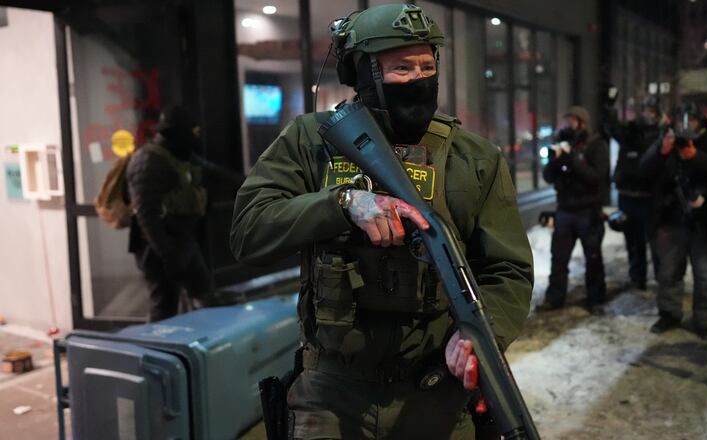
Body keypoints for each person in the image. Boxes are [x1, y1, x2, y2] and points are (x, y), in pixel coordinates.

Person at [229, 4, 534, 439]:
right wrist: (341, 204)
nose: (418, 80)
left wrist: (481, 337)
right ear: (363, 74)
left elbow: (508, 270)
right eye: (401, 67)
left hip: (434, 391)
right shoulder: (310, 141)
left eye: (427, 66)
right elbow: (248, 232)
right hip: (332, 393)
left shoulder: (474, 158)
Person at [126, 106, 235, 321]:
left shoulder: (177, 153)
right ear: (177, 132)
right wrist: (167, 254)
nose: (196, 137)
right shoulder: (148, 162)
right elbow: (147, 216)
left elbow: (215, 173)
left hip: (182, 240)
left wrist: (255, 182)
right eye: (193, 132)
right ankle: (157, 352)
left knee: (203, 294)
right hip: (157, 248)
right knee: (164, 307)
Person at [639, 102, 707, 340]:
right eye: (682, 122)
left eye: (692, 121)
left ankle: (705, 319)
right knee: (669, 272)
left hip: (703, 221)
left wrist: (696, 157)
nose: (687, 127)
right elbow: (644, 169)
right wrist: (662, 150)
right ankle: (669, 313)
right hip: (671, 219)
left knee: (705, 274)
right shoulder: (667, 139)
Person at [538, 106, 610, 314]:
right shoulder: (563, 144)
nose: (568, 125)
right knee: (558, 258)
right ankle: (554, 298)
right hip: (565, 210)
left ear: (583, 123)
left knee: (593, 258)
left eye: (572, 121)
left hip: (588, 211)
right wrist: (558, 158)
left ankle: (596, 299)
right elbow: (548, 176)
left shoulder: (596, 146)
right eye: (566, 121)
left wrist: (571, 160)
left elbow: (595, 177)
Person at [607, 96, 667, 290]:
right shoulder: (632, 132)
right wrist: (608, 108)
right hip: (629, 194)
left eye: (651, 111)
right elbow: (614, 129)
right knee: (633, 241)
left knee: (657, 243)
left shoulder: (661, 134)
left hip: (650, 197)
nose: (647, 114)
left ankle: (662, 280)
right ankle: (637, 277)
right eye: (645, 110)